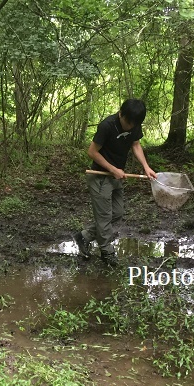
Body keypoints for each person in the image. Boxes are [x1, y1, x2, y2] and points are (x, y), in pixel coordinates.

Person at [73, 98, 158, 266]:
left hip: (116, 176)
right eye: (127, 122)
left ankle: (84, 236)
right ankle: (106, 251)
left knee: (117, 213)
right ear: (121, 114)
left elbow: (135, 144)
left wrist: (146, 166)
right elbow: (92, 152)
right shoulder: (107, 126)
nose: (129, 127)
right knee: (104, 217)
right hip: (100, 175)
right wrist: (113, 169)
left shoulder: (134, 124)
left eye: (133, 125)